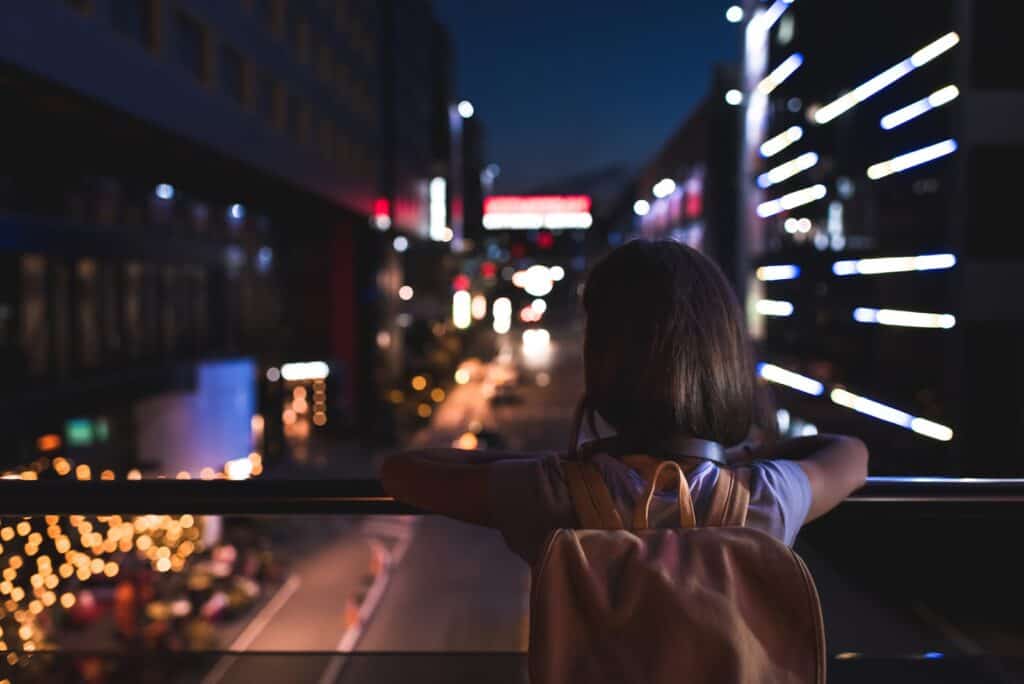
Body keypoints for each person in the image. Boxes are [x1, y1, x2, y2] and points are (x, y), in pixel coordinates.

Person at [381, 240, 868, 567]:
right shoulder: (764, 499)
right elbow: (849, 453)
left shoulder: (555, 495)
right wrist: (742, 459)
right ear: (724, 360)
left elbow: (406, 470)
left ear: (603, 363)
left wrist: (561, 465)